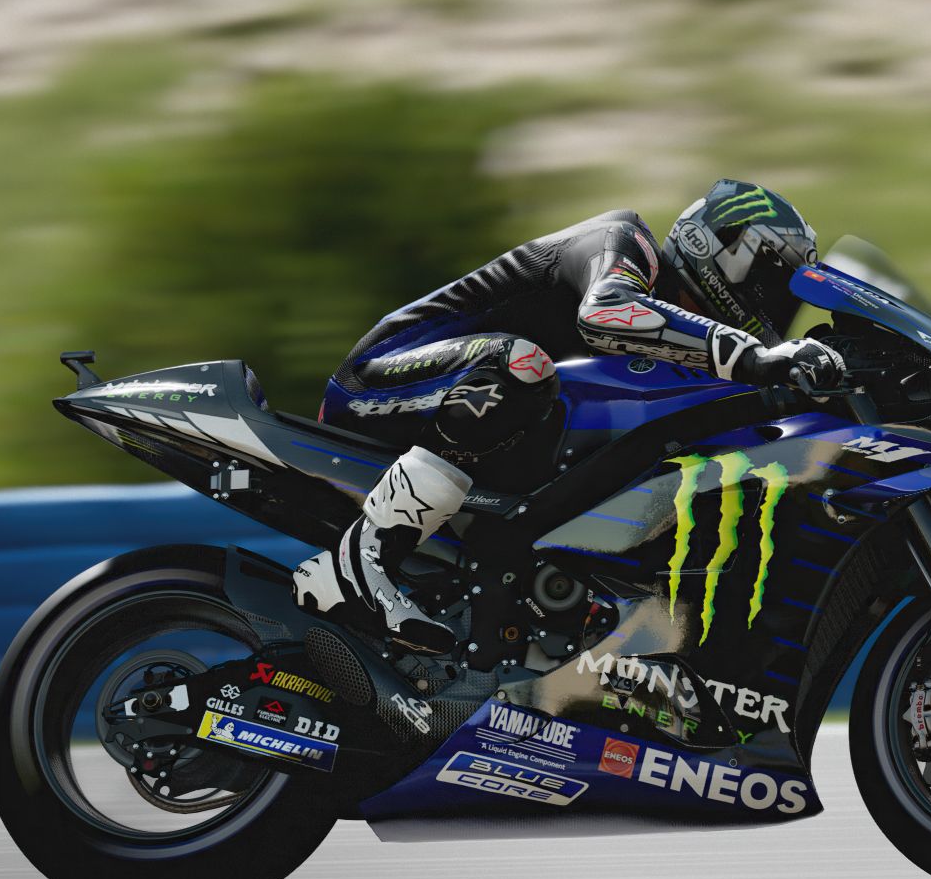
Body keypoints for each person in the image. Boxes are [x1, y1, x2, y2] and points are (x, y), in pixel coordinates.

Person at [291, 179, 847, 655]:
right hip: (379, 380)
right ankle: (356, 564)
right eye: (771, 279)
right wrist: (753, 356)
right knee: (521, 365)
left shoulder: (685, 353)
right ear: (716, 245)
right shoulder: (625, 242)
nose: (775, 307)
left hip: (477, 425)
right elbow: (605, 312)